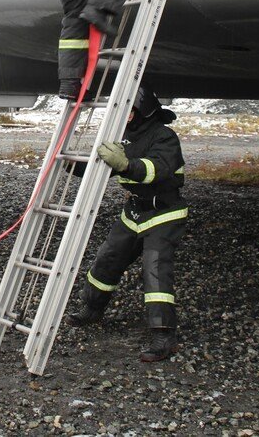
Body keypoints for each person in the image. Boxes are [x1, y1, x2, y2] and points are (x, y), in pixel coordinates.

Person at [65, 86, 187, 362]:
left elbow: (156, 169)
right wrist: (70, 164)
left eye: (129, 111)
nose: (125, 116)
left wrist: (125, 165)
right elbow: (102, 168)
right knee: (108, 258)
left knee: (155, 270)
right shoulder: (124, 137)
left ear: (142, 111)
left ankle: (163, 335)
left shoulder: (164, 137)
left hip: (164, 214)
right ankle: (92, 309)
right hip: (133, 212)